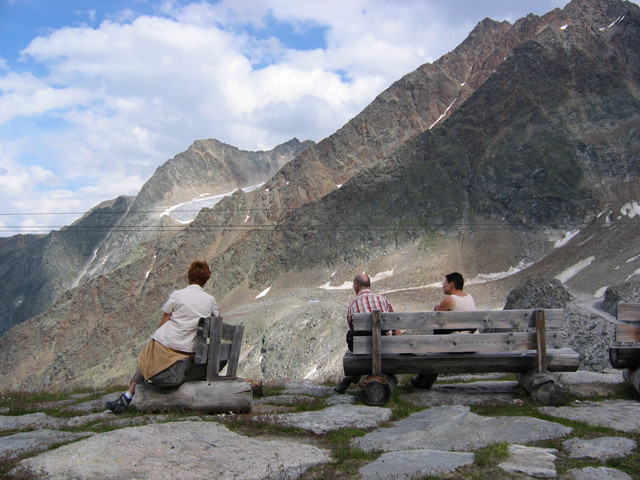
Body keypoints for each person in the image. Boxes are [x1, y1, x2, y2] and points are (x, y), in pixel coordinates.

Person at [105, 260, 219, 413]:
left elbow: (163, 324)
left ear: (189, 277)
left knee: (149, 347)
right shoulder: (210, 300)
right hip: (193, 354)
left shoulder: (177, 295)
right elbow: (217, 323)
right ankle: (126, 396)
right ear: (206, 280)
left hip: (170, 355)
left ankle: (127, 395)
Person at [334, 274, 399, 394]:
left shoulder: (352, 306)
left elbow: (353, 330)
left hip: (364, 350)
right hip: (386, 348)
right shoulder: (382, 300)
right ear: (370, 285)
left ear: (356, 286)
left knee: (360, 347)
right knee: (378, 344)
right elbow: (395, 325)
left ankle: (348, 380)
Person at [412, 272, 476, 388]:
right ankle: (423, 379)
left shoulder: (450, 300)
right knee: (438, 340)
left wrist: (437, 309)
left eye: (444, 283)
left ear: (452, 284)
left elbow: (435, 319)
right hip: (473, 342)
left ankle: (422, 380)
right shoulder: (469, 297)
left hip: (458, 344)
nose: (443, 286)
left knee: (435, 342)